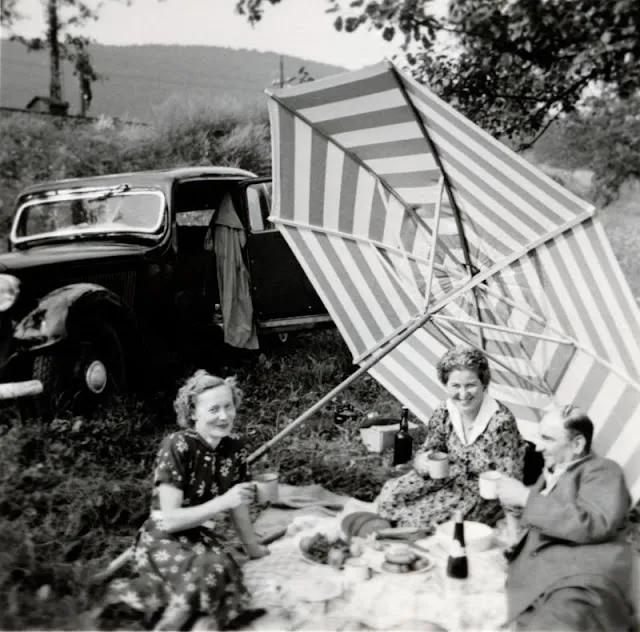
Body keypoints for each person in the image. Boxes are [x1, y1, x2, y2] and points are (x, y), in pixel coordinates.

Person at [100, 370, 269, 631]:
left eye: (228, 406)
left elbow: (239, 504)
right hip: (161, 538)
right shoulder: (177, 446)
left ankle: (200, 620)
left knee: (225, 570)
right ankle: (171, 623)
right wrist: (222, 502)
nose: (224, 416)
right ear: (193, 414)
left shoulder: (235, 448)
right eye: (213, 409)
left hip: (200, 536)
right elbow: (168, 521)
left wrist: (253, 547)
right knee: (209, 570)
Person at [497, 405, 635, 631]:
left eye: (548, 439)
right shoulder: (553, 472)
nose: (538, 447)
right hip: (546, 574)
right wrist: (516, 509)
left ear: (578, 444)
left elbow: (596, 522)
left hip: (583, 576)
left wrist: (525, 498)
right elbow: (552, 513)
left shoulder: (602, 470)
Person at [376, 346, 527, 529]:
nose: (463, 395)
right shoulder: (445, 410)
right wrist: (421, 460)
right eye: (455, 386)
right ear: (445, 384)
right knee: (389, 496)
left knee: (423, 521)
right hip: (446, 476)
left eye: (470, 385)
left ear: (484, 384)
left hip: (480, 491)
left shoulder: (500, 422)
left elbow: (509, 479)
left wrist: (513, 523)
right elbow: (431, 448)